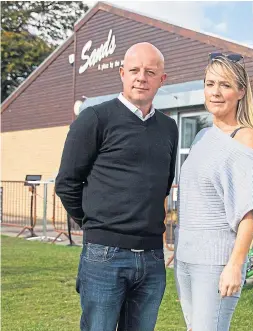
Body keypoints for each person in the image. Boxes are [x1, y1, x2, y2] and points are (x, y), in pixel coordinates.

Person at [55, 42, 178, 331]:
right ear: (122, 73)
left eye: (150, 71)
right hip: (104, 255)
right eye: (134, 70)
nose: (141, 77)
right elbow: (67, 182)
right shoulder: (95, 118)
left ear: (162, 79)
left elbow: (162, 184)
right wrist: (96, 224)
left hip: (152, 258)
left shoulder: (169, 128)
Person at [174, 53, 253, 331]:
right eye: (210, 83)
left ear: (241, 91)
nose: (215, 92)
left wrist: (234, 266)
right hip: (186, 258)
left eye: (225, 85)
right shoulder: (202, 137)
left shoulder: (245, 139)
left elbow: (248, 215)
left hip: (216, 262)